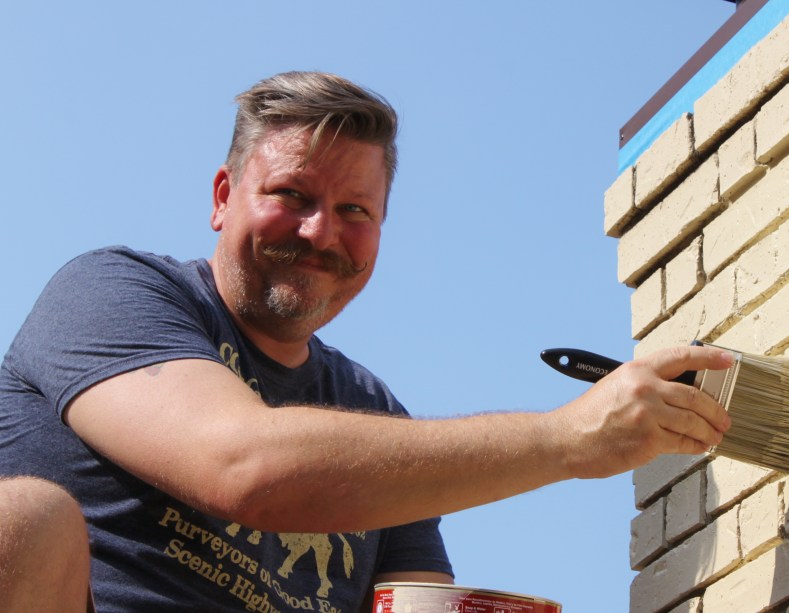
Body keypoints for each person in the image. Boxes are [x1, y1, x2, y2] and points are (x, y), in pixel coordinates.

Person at [0, 71, 733, 612]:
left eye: (355, 210)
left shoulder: (371, 412)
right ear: (223, 197)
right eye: (292, 195)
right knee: (25, 521)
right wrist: (568, 438)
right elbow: (245, 467)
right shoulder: (113, 293)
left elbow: (418, 601)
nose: (321, 232)